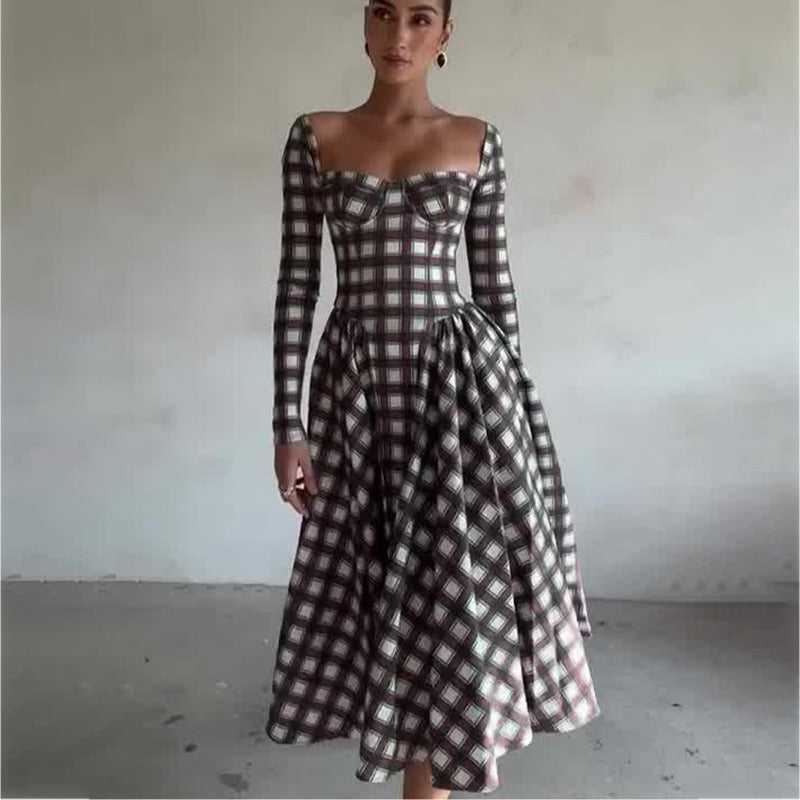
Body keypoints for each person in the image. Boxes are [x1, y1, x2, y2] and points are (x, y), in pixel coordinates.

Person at [265, 1, 601, 797]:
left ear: (445, 35)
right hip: (357, 393)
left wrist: (517, 411)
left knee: (452, 586)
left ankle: (436, 773)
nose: (399, 36)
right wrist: (288, 424)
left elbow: (495, 283)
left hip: (458, 391)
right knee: (379, 577)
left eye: (421, 18)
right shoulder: (317, 136)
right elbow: (297, 285)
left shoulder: (477, 139)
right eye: (385, 14)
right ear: (364, 24)